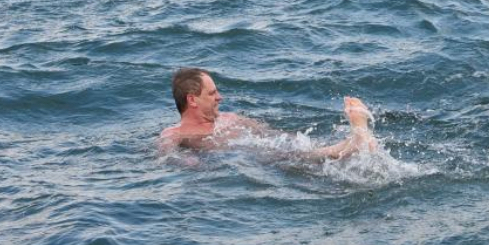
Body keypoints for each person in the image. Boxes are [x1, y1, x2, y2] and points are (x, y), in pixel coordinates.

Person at [159, 67, 378, 161]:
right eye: (212, 93)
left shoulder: (233, 118)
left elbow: (274, 135)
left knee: (294, 153)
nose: (220, 97)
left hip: (259, 154)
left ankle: (353, 143)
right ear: (192, 100)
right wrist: (188, 163)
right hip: (247, 158)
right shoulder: (175, 135)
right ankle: (354, 141)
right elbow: (167, 156)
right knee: (294, 156)